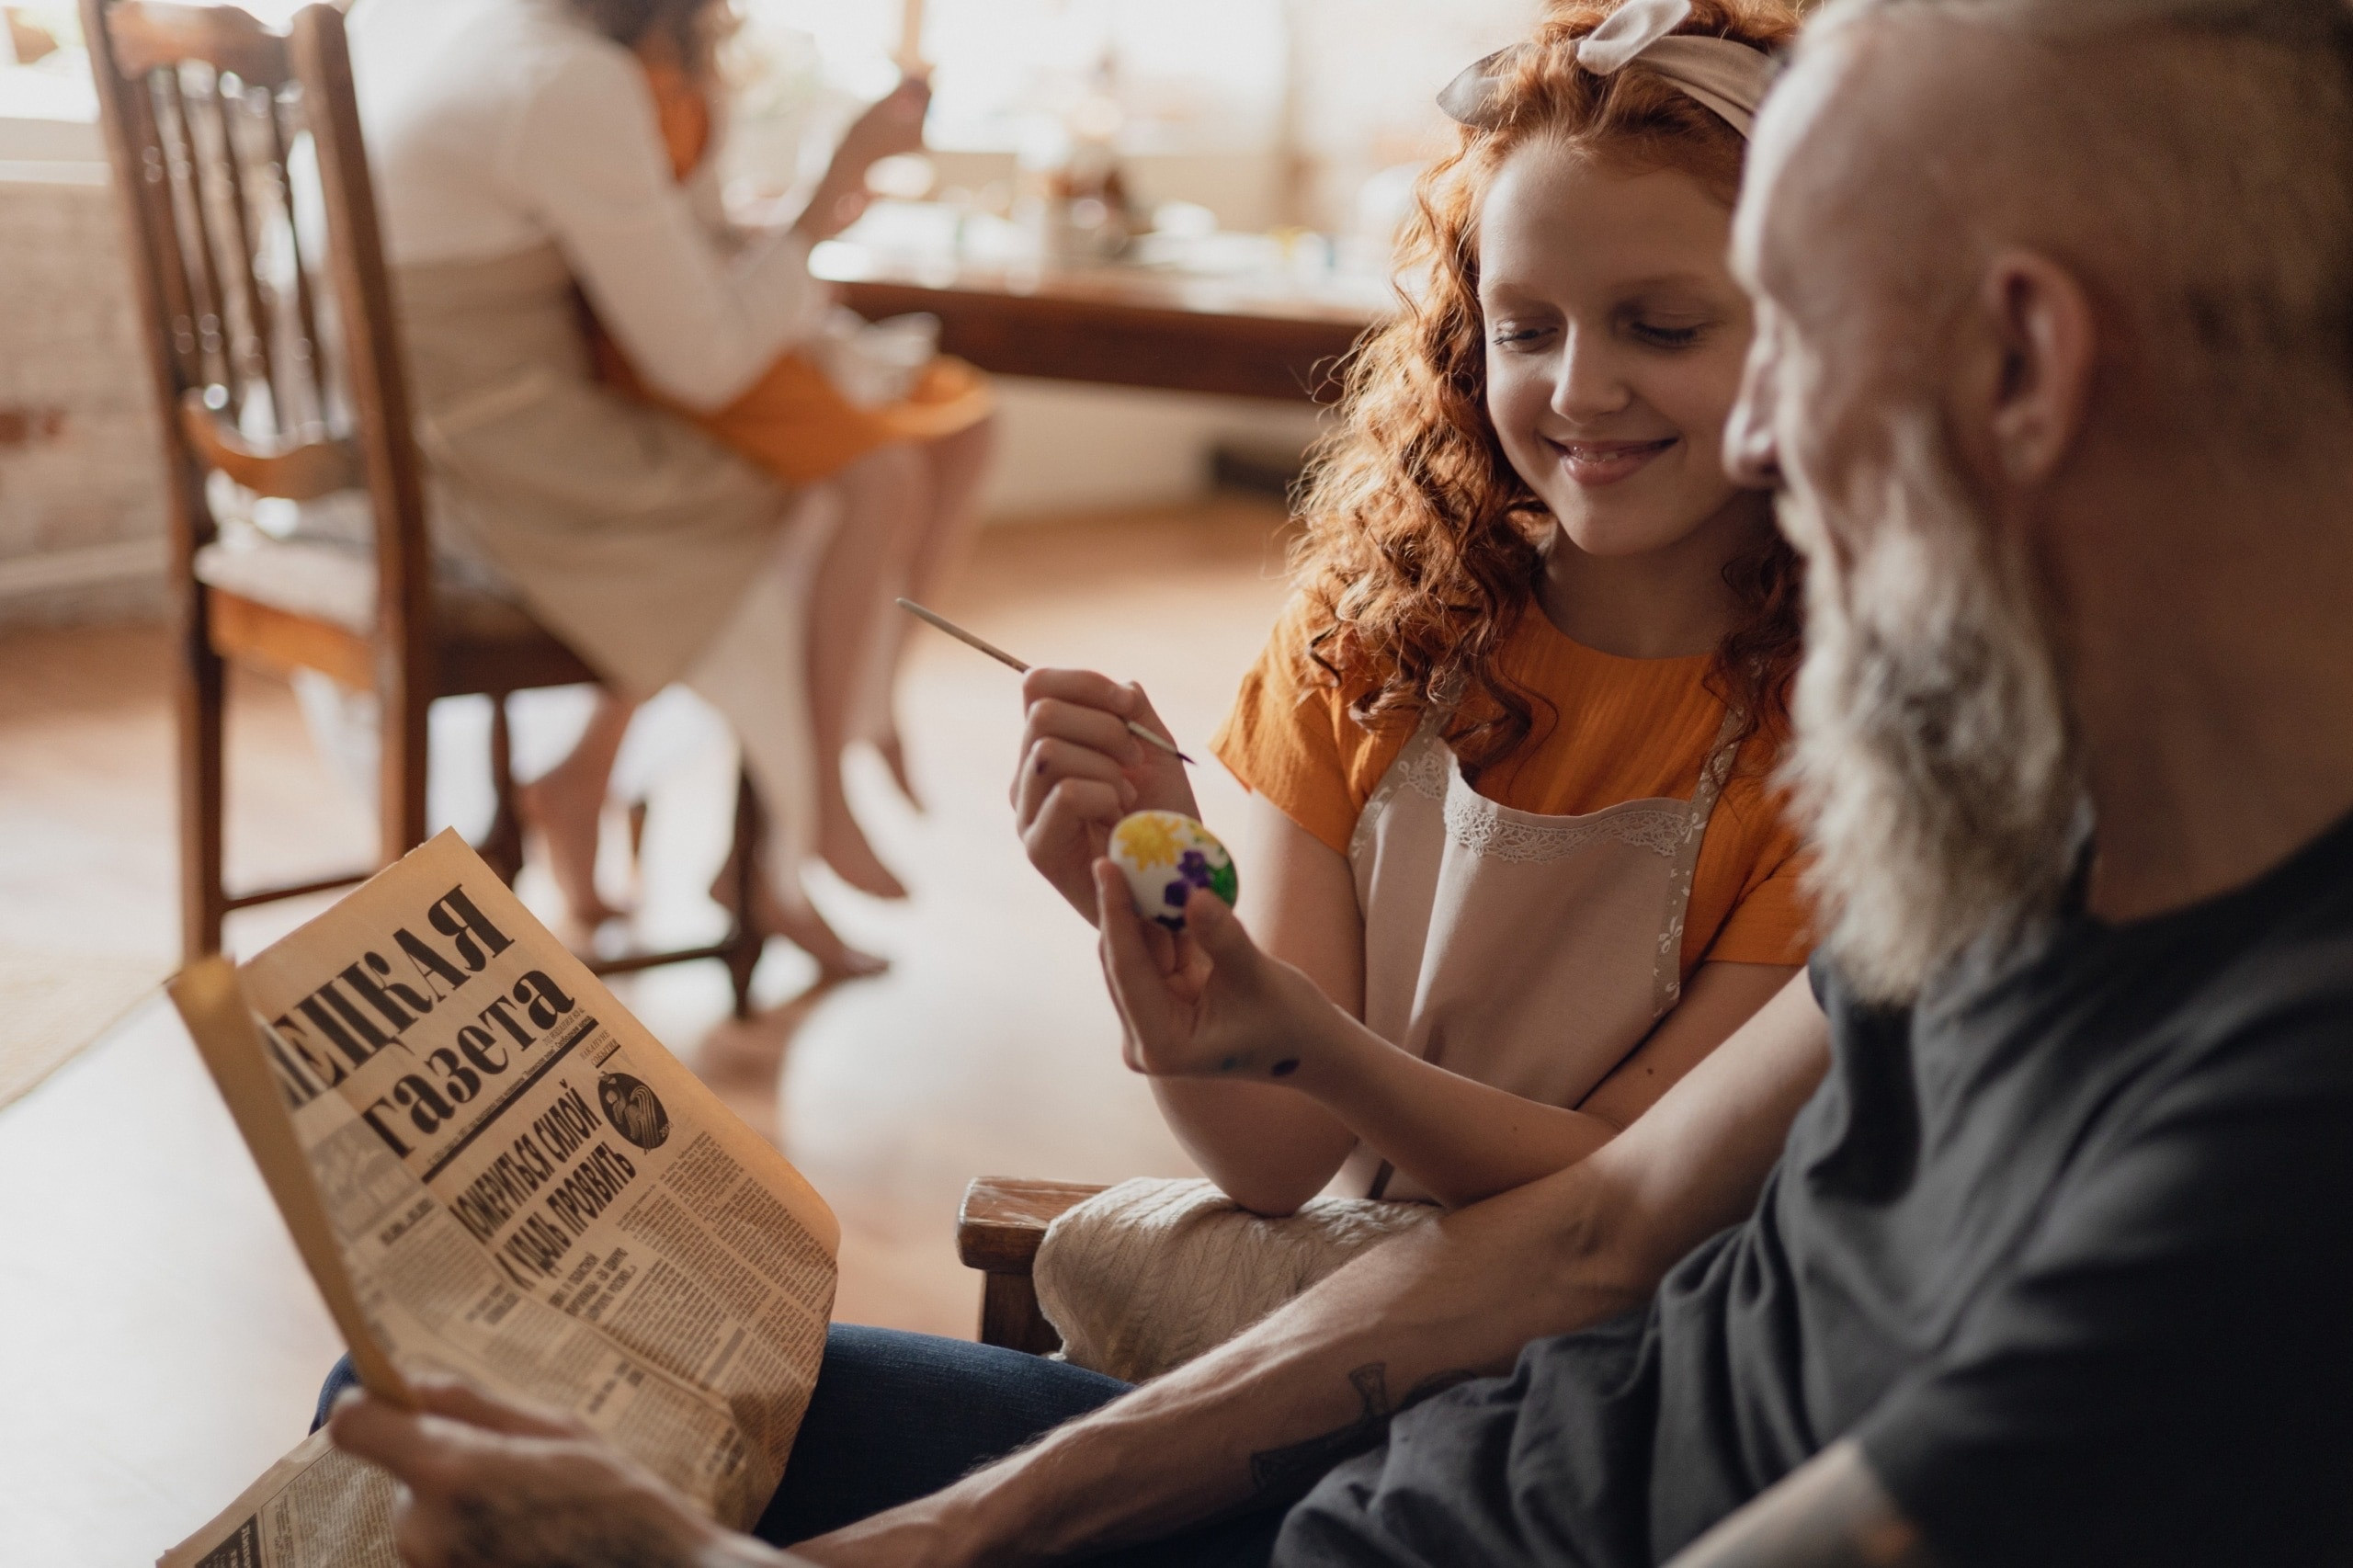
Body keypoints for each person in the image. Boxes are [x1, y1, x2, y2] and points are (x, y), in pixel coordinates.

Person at [328, 0, 2353, 1562]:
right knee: (419, 1403)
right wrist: (939, 1535)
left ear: (2020, 365)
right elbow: (1585, 1241)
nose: (1764, 448)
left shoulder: (2265, 1149)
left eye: (1787, 340)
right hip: (1380, 1476)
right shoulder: (2021, 832)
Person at [1011, 0, 1816, 1375]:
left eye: (1663, 327)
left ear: (1826, 329)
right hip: (1365, 1299)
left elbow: (1618, 1201)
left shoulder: (1846, 740)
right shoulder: (1370, 636)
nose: (1582, 387)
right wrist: (1163, 901)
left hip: (1633, 1360)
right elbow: (1276, 1163)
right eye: (1525, 329)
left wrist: (1311, 1039)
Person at [347, 0, 994, 972]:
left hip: (432, 423)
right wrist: (832, 190)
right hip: (481, 454)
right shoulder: (569, 80)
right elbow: (700, 361)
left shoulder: (517, 44)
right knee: (830, 494)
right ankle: (794, 830)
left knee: (869, 462)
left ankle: (694, 808)